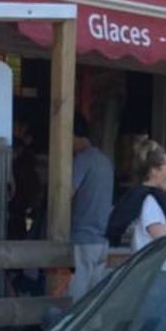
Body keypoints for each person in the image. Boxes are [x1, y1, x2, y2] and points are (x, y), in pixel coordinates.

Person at [68, 112, 115, 300]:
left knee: (77, 295)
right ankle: (93, 329)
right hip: (101, 239)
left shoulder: (82, 160)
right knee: (95, 298)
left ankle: (73, 329)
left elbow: (67, 193)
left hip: (83, 236)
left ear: (74, 135)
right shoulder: (105, 161)